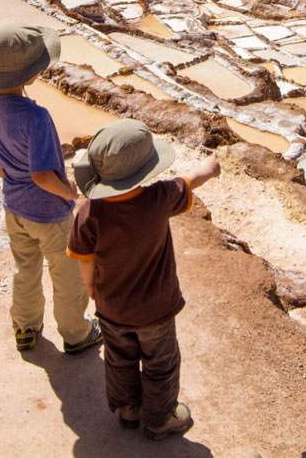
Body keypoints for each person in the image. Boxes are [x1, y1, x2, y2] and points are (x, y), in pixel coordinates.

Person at [68, 120, 220, 440]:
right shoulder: (159, 198)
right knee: (161, 365)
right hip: (156, 310)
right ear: (144, 171)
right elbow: (190, 180)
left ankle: (129, 408)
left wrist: (92, 287)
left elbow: (85, 259)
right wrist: (211, 167)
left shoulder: (88, 212)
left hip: (112, 307)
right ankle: (160, 418)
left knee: (119, 360)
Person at [0, 22, 101, 355]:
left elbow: (1, 162)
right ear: (30, 74)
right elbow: (42, 176)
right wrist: (69, 192)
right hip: (49, 213)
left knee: (24, 270)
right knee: (67, 274)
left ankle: (26, 328)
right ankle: (76, 333)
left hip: (13, 207)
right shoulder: (36, 117)